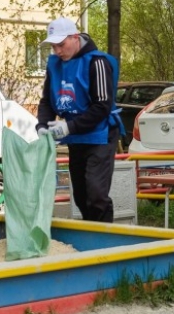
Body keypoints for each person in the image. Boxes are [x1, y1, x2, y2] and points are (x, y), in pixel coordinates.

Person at [36, 17, 123, 223]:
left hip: (100, 135)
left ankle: (106, 241)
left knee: (96, 194)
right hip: (76, 137)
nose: (57, 51)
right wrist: (42, 125)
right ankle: (90, 236)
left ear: (75, 38)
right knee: (81, 196)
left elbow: (102, 106)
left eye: (61, 44)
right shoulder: (55, 65)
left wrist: (69, 127)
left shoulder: (97, 62)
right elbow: (47, 100)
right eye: (53, 46)